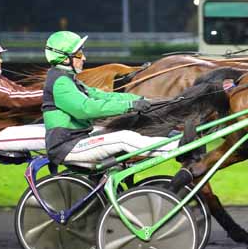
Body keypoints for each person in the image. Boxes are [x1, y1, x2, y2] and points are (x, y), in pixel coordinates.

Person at [42, 31, 179, 167]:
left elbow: (104, 96)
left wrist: (143, 99)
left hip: (75, 141)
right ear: (65, 59)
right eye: (79, 54)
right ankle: (179, 147)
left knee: (123, 132)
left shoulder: (68, 79)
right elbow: (86, 108)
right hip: (67, 147)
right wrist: (130, 105)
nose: (84, 58)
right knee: (124, 138)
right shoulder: (60, 82)